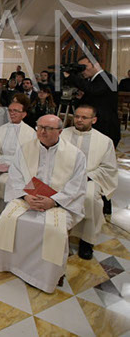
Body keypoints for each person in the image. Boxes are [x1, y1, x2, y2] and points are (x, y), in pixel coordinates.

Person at [0, 115, 86, 293]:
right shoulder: (26, 148)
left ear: (60, 131)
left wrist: (54, 201)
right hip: (28, 197)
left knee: (54, 229)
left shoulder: (75, 155)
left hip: (59, 202)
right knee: (8, 218)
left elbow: (77, 185)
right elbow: (15, 176)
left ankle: (44, 277)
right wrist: (26, 196)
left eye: (48, 128)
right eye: (40, 127)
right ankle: (11, 265)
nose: (42, 132)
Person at [61, 105, 118, 259]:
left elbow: (108, 168)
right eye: (77, 116)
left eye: (84, 117)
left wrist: (86, 176)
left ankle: (86, 240)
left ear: (94, 120)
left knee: (90, 198)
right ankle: (56, 231)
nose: (79, 120)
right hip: (62, 176)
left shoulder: (104, 141)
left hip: (90, 178)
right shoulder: (62, 134)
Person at [0, 100, 37, 225]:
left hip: (17, 169)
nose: (12, 113)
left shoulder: (30, 133)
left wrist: (12, 166)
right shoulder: (0, 130)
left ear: (24, 114)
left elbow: (31, 157)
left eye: (16, 111)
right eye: (10, 110)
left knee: (8, 183)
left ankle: (2, 217)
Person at [65, 56, 121, 147]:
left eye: (84, 67)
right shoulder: (91, 80)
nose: (82, 71)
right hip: (95, 124)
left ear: (95, 64)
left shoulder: (107, 77)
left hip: (105, 125)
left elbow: (93, 90)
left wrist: (70, 76)